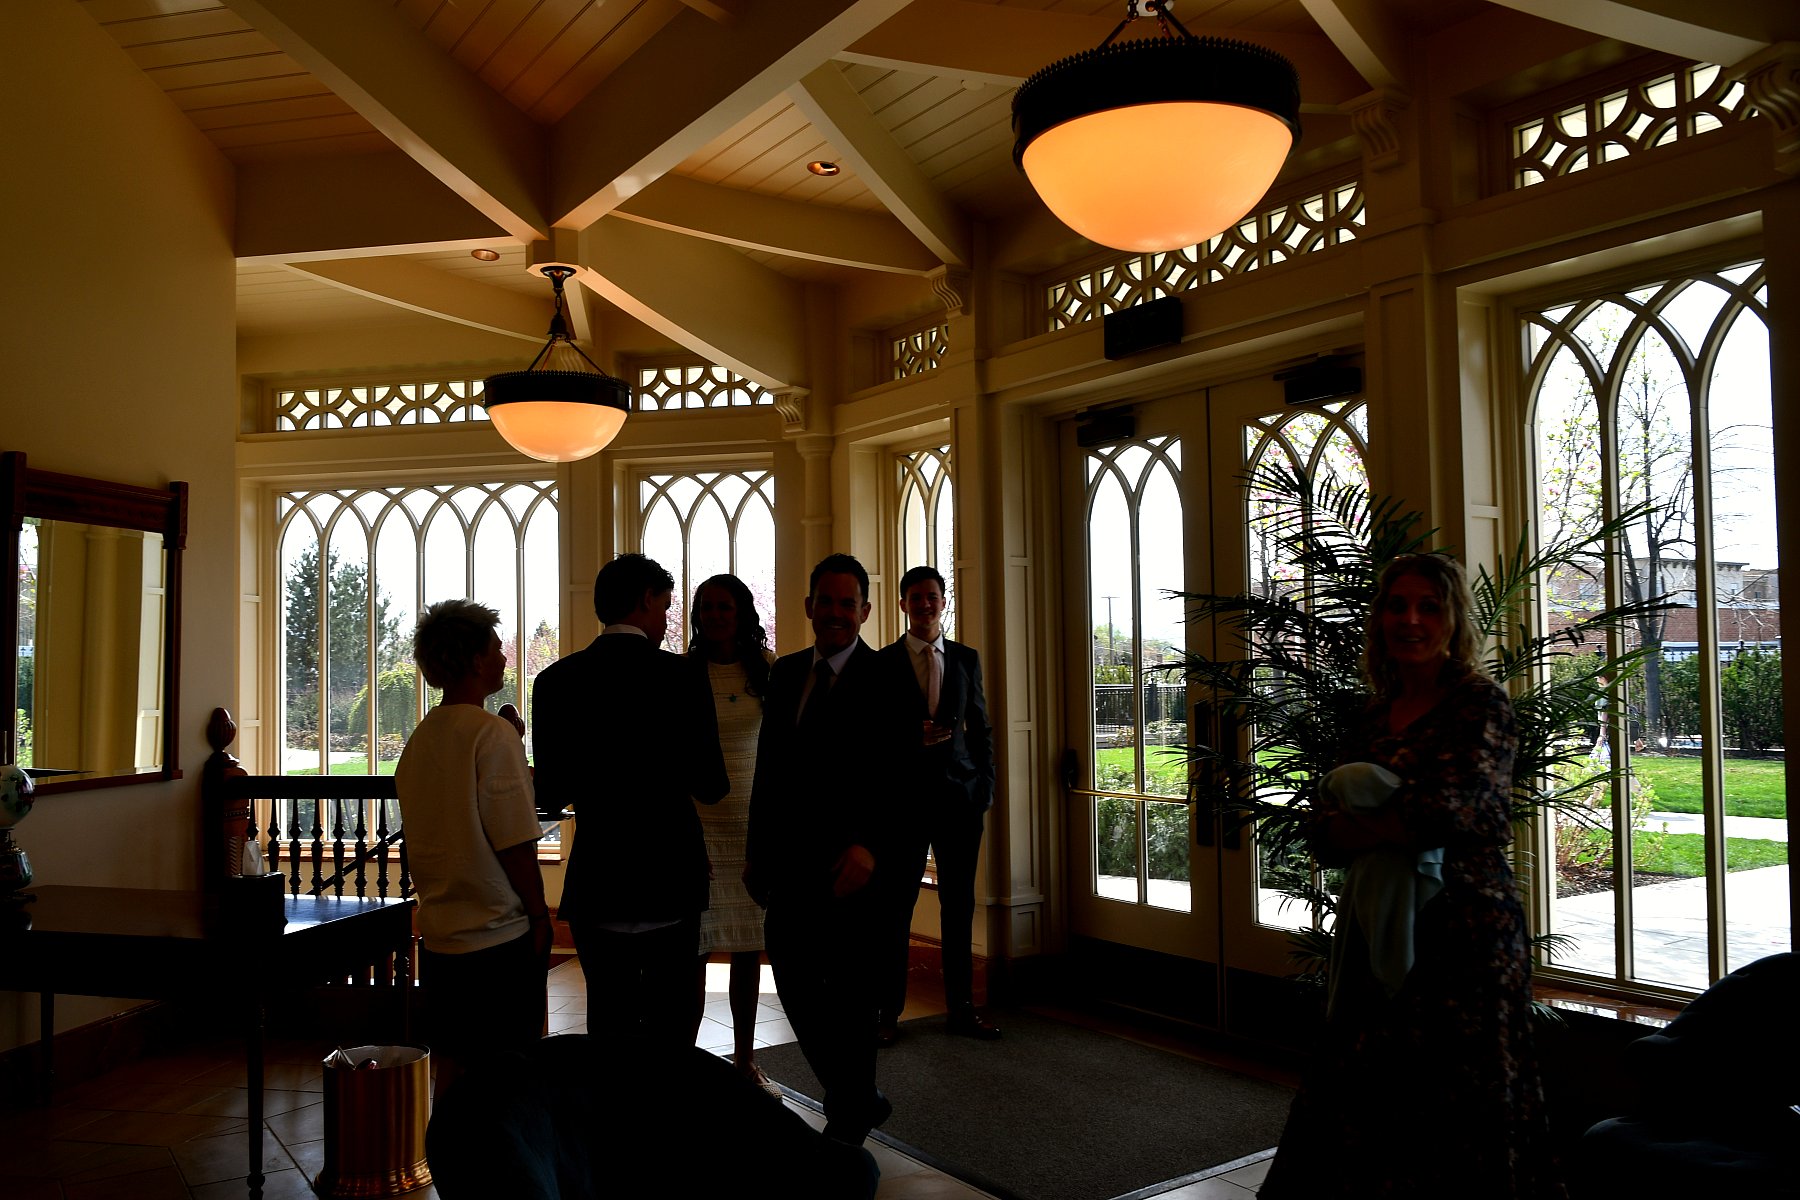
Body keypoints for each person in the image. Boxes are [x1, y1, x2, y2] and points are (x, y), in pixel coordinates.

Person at [1258, 553, 1567, 1199]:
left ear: (1453, 619)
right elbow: (1323, 831)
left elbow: (1457, 812)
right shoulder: (1374, 714)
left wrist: (1370, 819)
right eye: (1397, 605)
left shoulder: (1479, 703)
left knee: (1461, 1105)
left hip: (1465, 933)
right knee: (1363, 1095)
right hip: (1377, 929)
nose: (1411, 619)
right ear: (1380, 619)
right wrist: (1393, 820)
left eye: (1429, 605)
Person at [531, 553, 729, 1052]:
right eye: (664, 607)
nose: (665, 619)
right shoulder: (683, 677)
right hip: (671, 877)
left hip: (600, 879)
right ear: (645, 600)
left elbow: (550, 794)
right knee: (672, 1029)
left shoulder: (556, 681)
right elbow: (712, 785)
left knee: (609, 1025)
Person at [745, 553, 901, 1146]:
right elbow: (769, 769)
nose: (836, 613)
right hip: (789, 864)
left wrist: (871, 848)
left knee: (852, 1001)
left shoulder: (889, 677)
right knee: (793, 981)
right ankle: (858, 1097)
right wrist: (757, 850)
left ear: (865, 611)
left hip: (852, 870)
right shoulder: (786, 673)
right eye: (826, 602)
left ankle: (848, 1128)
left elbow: (906, 779)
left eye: (847, 603)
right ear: (809, 606)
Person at [394, 599, 551, 1099]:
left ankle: (448, 1145)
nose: (504, 657)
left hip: (441, 936)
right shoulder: (491, 734)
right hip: (496, 938)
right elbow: (514, 842)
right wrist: (540, 915)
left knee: (452, 1065)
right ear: (477, 659)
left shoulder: (421, 739)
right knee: (509, 1074)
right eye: (497, 647)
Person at [875, 564, 1000, 1044]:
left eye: (932, 596)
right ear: (903, 604)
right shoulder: (884, 663)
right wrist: (912, 736)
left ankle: (962, 1010)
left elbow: (981, 728)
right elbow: (872, 734)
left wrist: (984, 788)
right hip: (903, 803)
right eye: (916, 597)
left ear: (943, 602)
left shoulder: (966, 658)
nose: (924, 605)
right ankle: (887, 1014)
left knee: (959, 905)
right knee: (896, 907)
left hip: (960, 801)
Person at [686, 572, 780, 1095]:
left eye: (725, 607)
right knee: (693, 954)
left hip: (752, 826)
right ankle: (688, 1069)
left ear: (741, 613)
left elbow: (784, 751)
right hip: (697, 829)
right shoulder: (683, 674)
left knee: (749, 949)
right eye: (707, 607)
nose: (716, 615)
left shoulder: (768, 670)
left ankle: (745, 1061)